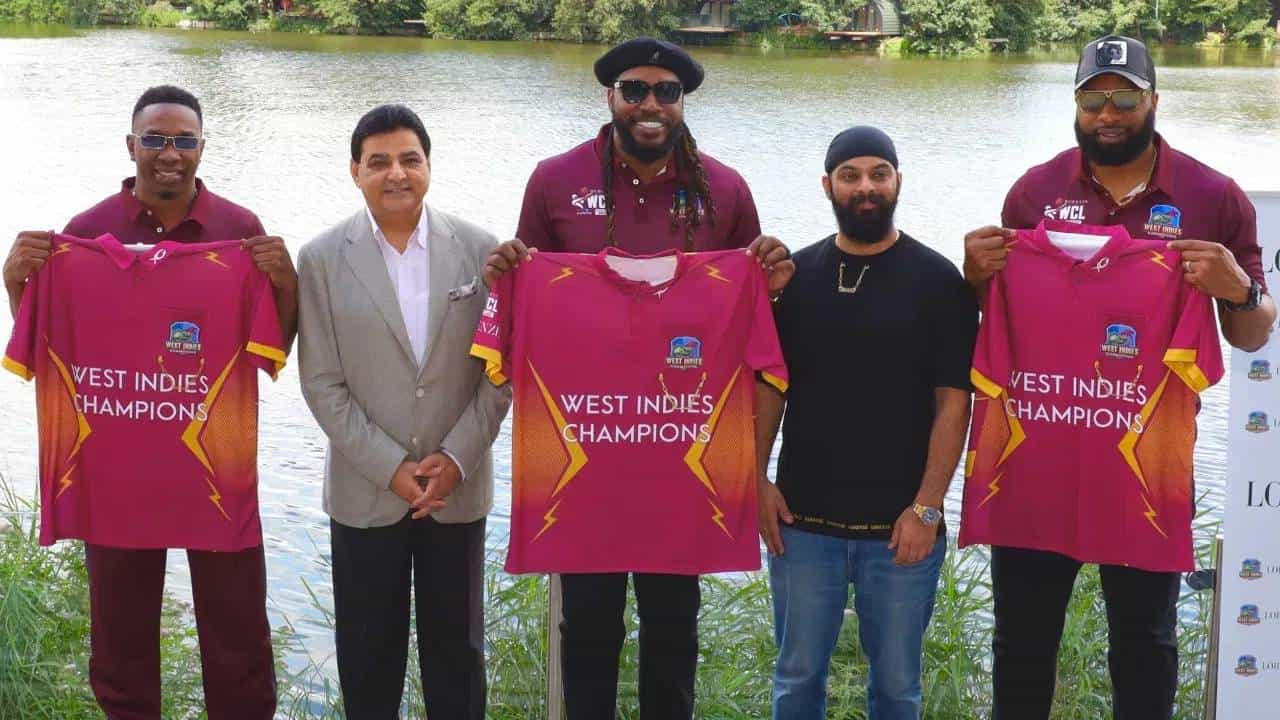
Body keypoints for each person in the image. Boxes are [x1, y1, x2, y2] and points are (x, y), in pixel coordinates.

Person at [961, 35, 1275, 719]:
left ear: (1154, 101)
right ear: (1076, 104)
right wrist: (975, 277)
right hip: (1037, 455)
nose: (1108, 113)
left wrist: (1239, 289)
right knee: (1021, 641)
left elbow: (1252, 333)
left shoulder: (1213, 197)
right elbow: (1001, 315)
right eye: (1093, 99)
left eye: (1125, 99)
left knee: (1146, 641)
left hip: (1144, 463)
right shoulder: (1035, 191)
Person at [482, 37, 794, 720]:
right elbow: (527, 310)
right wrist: (506, 272)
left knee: (674, 629)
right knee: (589, 627)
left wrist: (772, 280)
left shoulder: (726, 189)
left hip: (680, 458)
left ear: (683, 102)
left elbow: (751, 325)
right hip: (586, 458)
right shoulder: (555, 180)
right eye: (634, 89)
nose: (650, 104)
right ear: (609, 96)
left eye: (666, 92)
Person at [0, 85, 295, 720]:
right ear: (130, 145)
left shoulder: (240, 232)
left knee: (238, 631)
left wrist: (286, 282)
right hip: (114, 470)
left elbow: (273, 354)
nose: (169, 153)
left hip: (215, 470)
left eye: (184, 140)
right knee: (120, 638)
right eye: (155, 139)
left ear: (202, 148)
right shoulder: (84, 233)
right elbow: (52, 351)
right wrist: (16, 283)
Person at [297, 104, 509, 720]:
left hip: (455, 491)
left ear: (429, 166)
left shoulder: (482, 252)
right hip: (366, 492)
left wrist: (456, 457)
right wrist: (390, 467)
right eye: (379, 162)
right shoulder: (320, 258)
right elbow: (322, 383)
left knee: (458, 662)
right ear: (355, 171)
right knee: (367, 663)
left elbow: (500, 373)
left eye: (409, 159)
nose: (396, 174)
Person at [756, 127, 977, 720]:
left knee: (898, 688)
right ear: (827, 185)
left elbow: (954, 404)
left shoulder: (939, 282)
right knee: (796, 679)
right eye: (850, 176)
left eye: (879, 174)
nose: (866, 187)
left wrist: (927, 507)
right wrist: (755, 479)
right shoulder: (796, 278)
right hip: (802, 525)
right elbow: (770, 387)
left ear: (898, 181)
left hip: (901, 528)